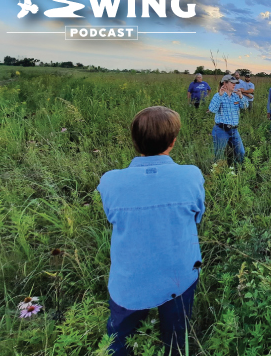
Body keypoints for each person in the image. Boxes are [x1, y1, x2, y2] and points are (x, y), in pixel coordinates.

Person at [97, 106, 205, 356]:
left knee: (119, 341)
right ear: (173, 141)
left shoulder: (110, 181)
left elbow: (112, 217)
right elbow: (198, 216)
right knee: (177, 340)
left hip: (129, 281)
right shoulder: (190, 175)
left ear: (134, 142)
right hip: (179, 276)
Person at [208, 74, 248, 163]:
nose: (234, 85)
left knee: (241, 152)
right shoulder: (218, 96)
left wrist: (241, 96)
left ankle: (239, 170)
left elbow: (245, 107)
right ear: (225, 83)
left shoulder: (236, 96)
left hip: (234, 130)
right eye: (232, 83)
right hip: (221, 130)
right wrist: (220, 96)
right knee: (219, 154)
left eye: (235, 83)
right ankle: (217, 173)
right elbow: (212, 109)